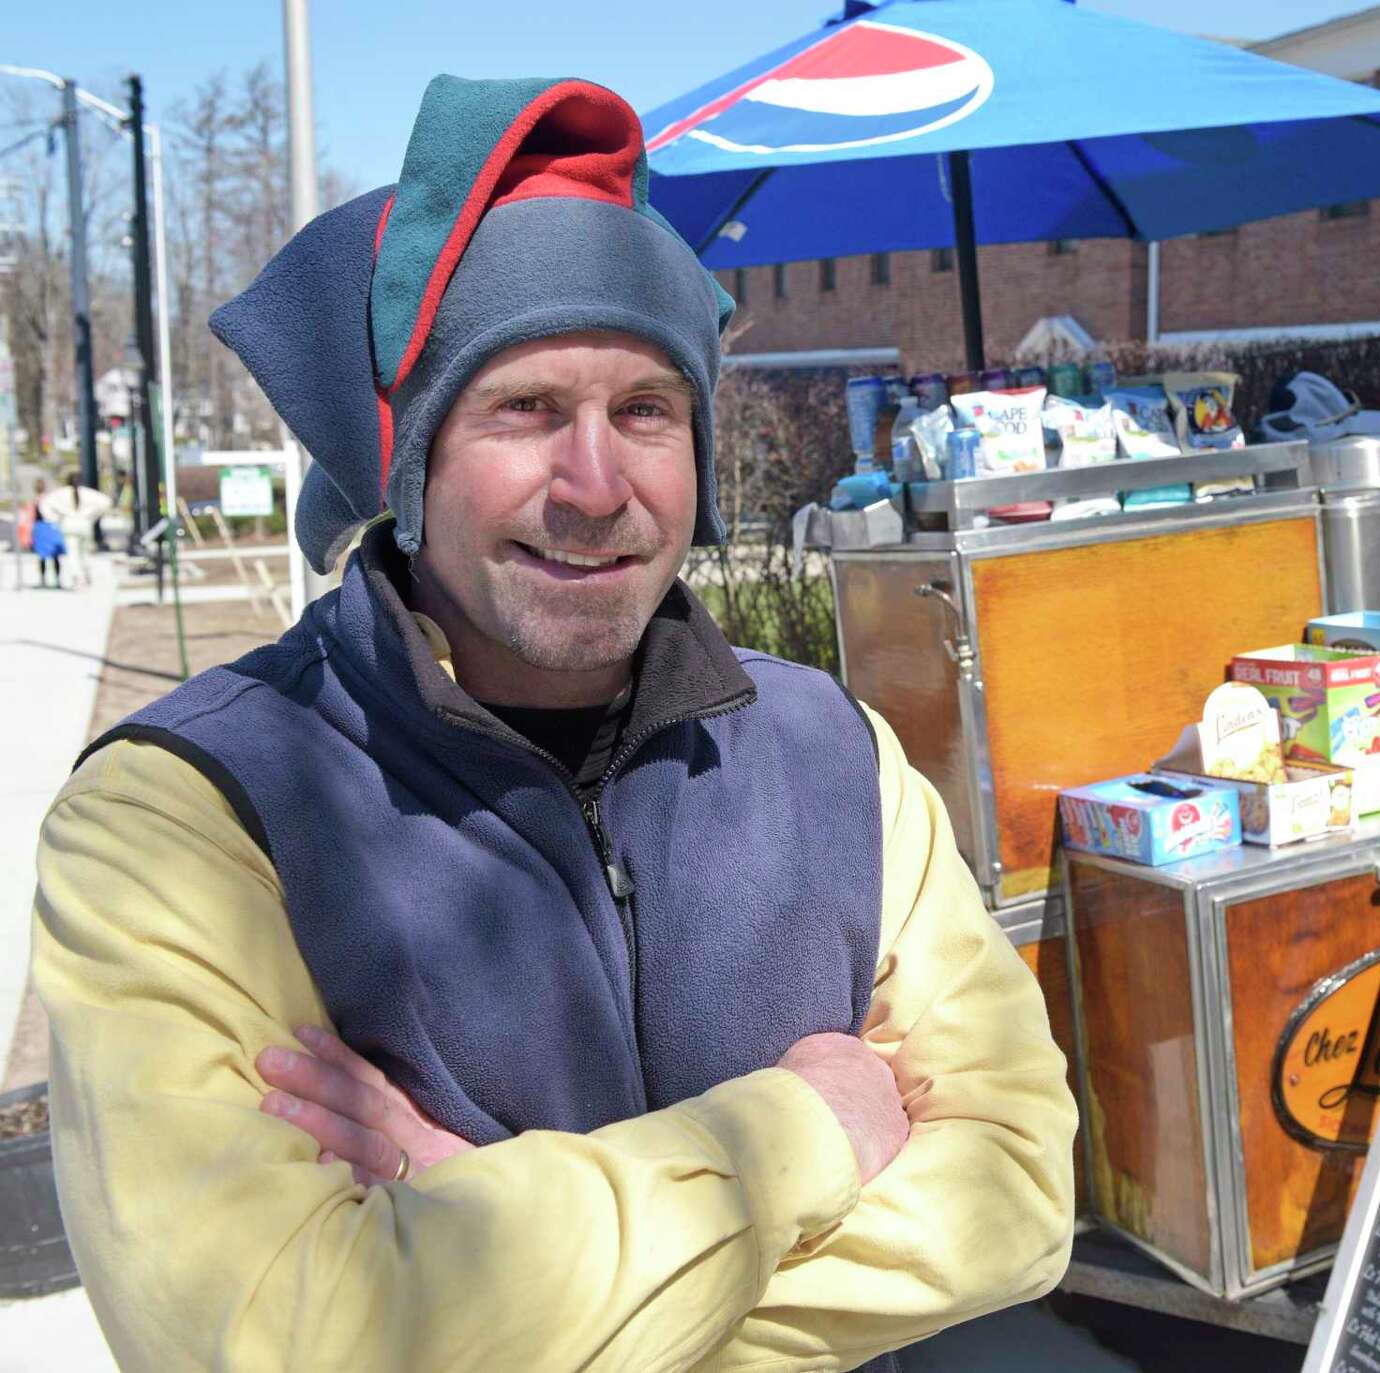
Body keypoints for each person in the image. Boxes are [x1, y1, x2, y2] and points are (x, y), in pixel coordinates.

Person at [33, 75, 1076, 1371]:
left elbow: (1019, 1198)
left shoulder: (836, 759)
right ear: (408, 461)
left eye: (645, 410)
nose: (595, 484)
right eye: (523, 408)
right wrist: (809, 1127)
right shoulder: (187, 818)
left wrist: (491, 1264)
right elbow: (280, 1335)